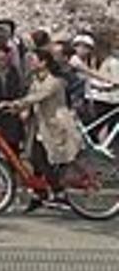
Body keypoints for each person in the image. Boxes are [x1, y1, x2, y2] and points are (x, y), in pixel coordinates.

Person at [5, 47, 82, 210]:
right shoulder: (35, 79)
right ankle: (39, 194)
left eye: (33, 60)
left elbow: (39, 96)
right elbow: (31, 98)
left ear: (43, 62)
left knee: (41, 159)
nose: (30, 63)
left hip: (55, 125)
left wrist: (15, 103)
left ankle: (59, 193)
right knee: (34, 158)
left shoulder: (53, 81)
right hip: (40, 126)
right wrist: (18, 109)